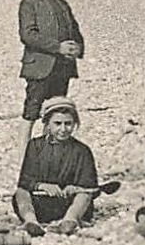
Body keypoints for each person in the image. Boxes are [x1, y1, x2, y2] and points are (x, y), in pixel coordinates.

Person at [15, 0, 84, 163]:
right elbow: (28, 35)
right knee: (31, 111)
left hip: (62, 67)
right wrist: (58, 47)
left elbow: (75, 30)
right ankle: (24, 156)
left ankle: (52, 152)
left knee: (57, 109)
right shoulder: (29, 4)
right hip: (39, 67)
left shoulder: (63, 5)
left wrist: (77, 48)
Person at [13, 97, 99, 237]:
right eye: (57, 124)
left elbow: (91, 186)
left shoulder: (82, 150)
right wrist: (42, 186)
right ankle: (31, 221)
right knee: (21, 193)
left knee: (85, 195)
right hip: (41, 203)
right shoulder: (35, 146)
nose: (63, 129)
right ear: (47, 124)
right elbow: (25, 180)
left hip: (69, 203)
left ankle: (70, 220)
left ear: (75, 124)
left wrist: (75, 188)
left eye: (68, 124)